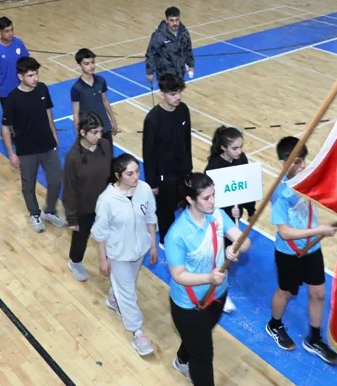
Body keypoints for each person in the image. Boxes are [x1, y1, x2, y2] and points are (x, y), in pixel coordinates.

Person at [166, 172, 252, 384]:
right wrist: (209, 277)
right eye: (206, 197)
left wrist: (235, 247)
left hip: (218, 293)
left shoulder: (218, 215)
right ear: (190, 199)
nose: (213, 201)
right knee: (203, 356)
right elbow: (178, 275)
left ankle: (181, 360)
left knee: (199, 337)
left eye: (214, 194)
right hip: (189, 304)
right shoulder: (177, 234)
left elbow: (245, 241)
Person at [265, 136, 337, 365]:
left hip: (312, 248)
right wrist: (319, 230)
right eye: (297, 162)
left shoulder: (308, 181)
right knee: (286, 292)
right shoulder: (280, 193)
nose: (303, 165)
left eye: (304, 160)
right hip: (289, 252)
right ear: (283, 164)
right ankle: (274, 325)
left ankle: (314, 339)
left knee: (318, 293)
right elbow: (285, 232)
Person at [92, 153, 158, 356]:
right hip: (118, 254)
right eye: (130, 174)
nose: (136, 176)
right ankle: (137, 332)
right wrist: (103, 259)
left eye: (137, 171)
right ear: (118, 175)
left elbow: (150, 217)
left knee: (126, 285)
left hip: (139, 250)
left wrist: (152, 245)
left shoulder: (144, 189)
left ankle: (113, 298)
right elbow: (100, 233)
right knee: (129, 293)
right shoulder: (106, 200)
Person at [1, 56, 67, 232]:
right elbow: (5, 128)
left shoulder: (42, 88)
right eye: (30, 75)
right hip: (26, 150)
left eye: (36, 74)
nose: (35, 78)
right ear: (20, 76)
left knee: (56, 180)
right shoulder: (12, 98)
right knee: (28, 185)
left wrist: (54, 133)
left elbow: (48, 112)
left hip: (47, 145)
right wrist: (11, 153)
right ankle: (35, 213)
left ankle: (50, 210)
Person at [204, 125, 255, 314]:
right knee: (220, 255)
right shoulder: (213, 167)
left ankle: (218, 284)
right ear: (223, 148)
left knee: (231, 251)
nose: (239, 151)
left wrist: (249, 209)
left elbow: (245, 186)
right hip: (217, 217)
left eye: (241, 147)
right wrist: (224, 208)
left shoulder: (241, 159)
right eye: (235, 148)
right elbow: (208, 198)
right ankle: (218, 293)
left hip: (234, 215)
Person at [143, 74, 192, 245]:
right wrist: (152, 182)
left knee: (186, 205)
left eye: (179, 92)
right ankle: (166, 240)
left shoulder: (183, 110)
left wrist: (189, 168)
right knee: (166, 211)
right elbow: (148, 153)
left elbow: (187, 141)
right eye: (173, 94)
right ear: (161, 94)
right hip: (164, 175)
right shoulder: (153, 119)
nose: (177, 97)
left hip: (183, 171)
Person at [63, 112, 113, 281]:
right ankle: (75, 262)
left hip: (105, 204)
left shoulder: (105, 145)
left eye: (100, 131)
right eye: (95, 132)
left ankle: (110, 260)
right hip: (84, 207)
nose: (99, 136)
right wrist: (71, 217)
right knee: (81, 237)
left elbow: (111, 171)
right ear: (83, 132)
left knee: (110, 234)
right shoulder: (73, 157)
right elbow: (69, 188)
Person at [71, 48, 118, 145]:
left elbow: (105, 100)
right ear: (80, 65)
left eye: (92, 62)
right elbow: (76, 114)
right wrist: (79, 134)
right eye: (86, 63)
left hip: (105, 127)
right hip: (89, 132)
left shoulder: (101, 81)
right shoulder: (76, 88)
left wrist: (113, 120)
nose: (91, 66)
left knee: (108, 153)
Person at [0, 16, 29, 116]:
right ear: (0, 31)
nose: (10, 33)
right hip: (5, 91)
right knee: (10, 117)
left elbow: (26, 63)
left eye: (11, 30)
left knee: (23, 114)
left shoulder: (18, 43)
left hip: (21, 87)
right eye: (6, 31)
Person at [145, 6, 195, 83]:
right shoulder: (158, 35)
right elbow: (150, 54)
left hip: (180, 73)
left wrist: (191, 65)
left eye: (177, 20)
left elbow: (188, 50)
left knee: (178, 91)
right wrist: (150, 72)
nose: (175, 23)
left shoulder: (184, 33)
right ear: (166, 20)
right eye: (171, 20)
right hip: (165, 75)